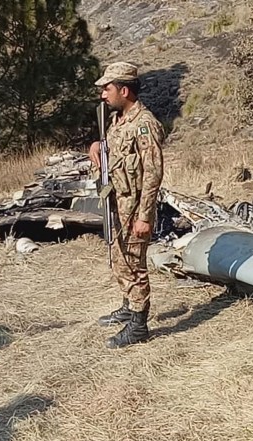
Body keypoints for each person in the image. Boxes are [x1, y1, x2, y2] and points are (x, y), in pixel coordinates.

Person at [88, 62, 165, 349]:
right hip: (116, 205)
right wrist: (98, 146)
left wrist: (144, 216)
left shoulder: (144, 124)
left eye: (107, 89)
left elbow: (153, 173)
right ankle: (128, 305)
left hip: (134, 210)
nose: (103, 95)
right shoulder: (118, 121)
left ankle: (139, 325)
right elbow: (117, 154)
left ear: (124, 90)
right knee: (120, 259)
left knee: (134, 265)